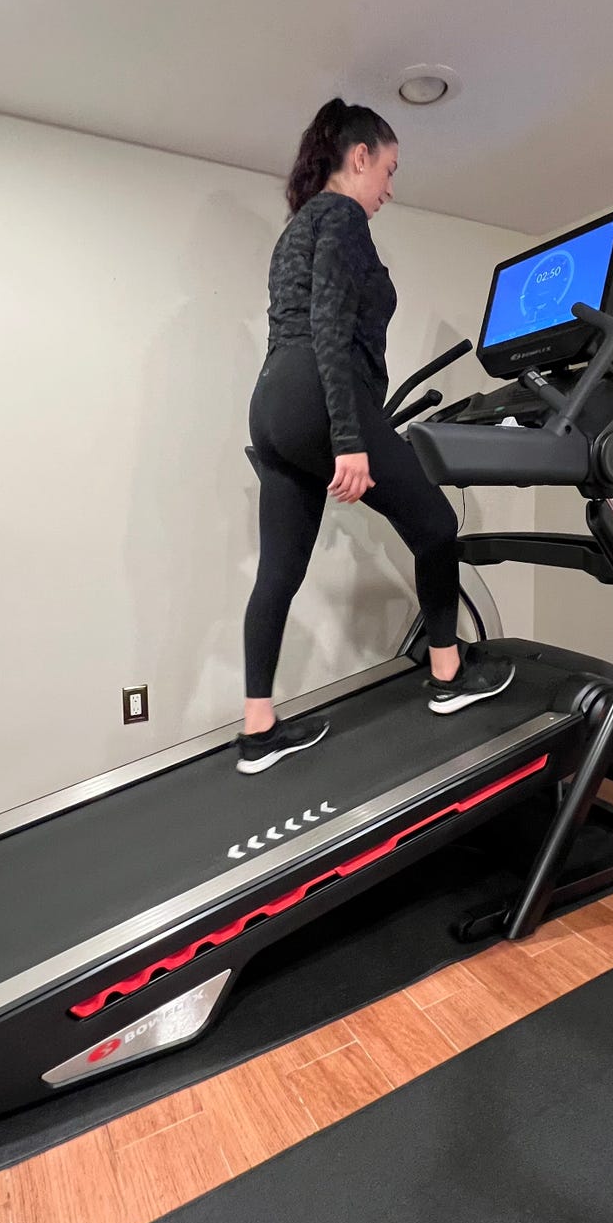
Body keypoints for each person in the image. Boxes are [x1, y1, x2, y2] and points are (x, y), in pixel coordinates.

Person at [238, 99, 514, 774]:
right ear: (358, 157)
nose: (390, 187)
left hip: (271, 403)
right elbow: (330, 327)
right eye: (388, 169)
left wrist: (330, 429)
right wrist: (348, 438)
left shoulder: (296, 228)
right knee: (437, 526)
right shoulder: (340, 216)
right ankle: (448, 677)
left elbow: (309, 327)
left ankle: (257, 730)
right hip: (319, 395)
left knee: (279, 571)